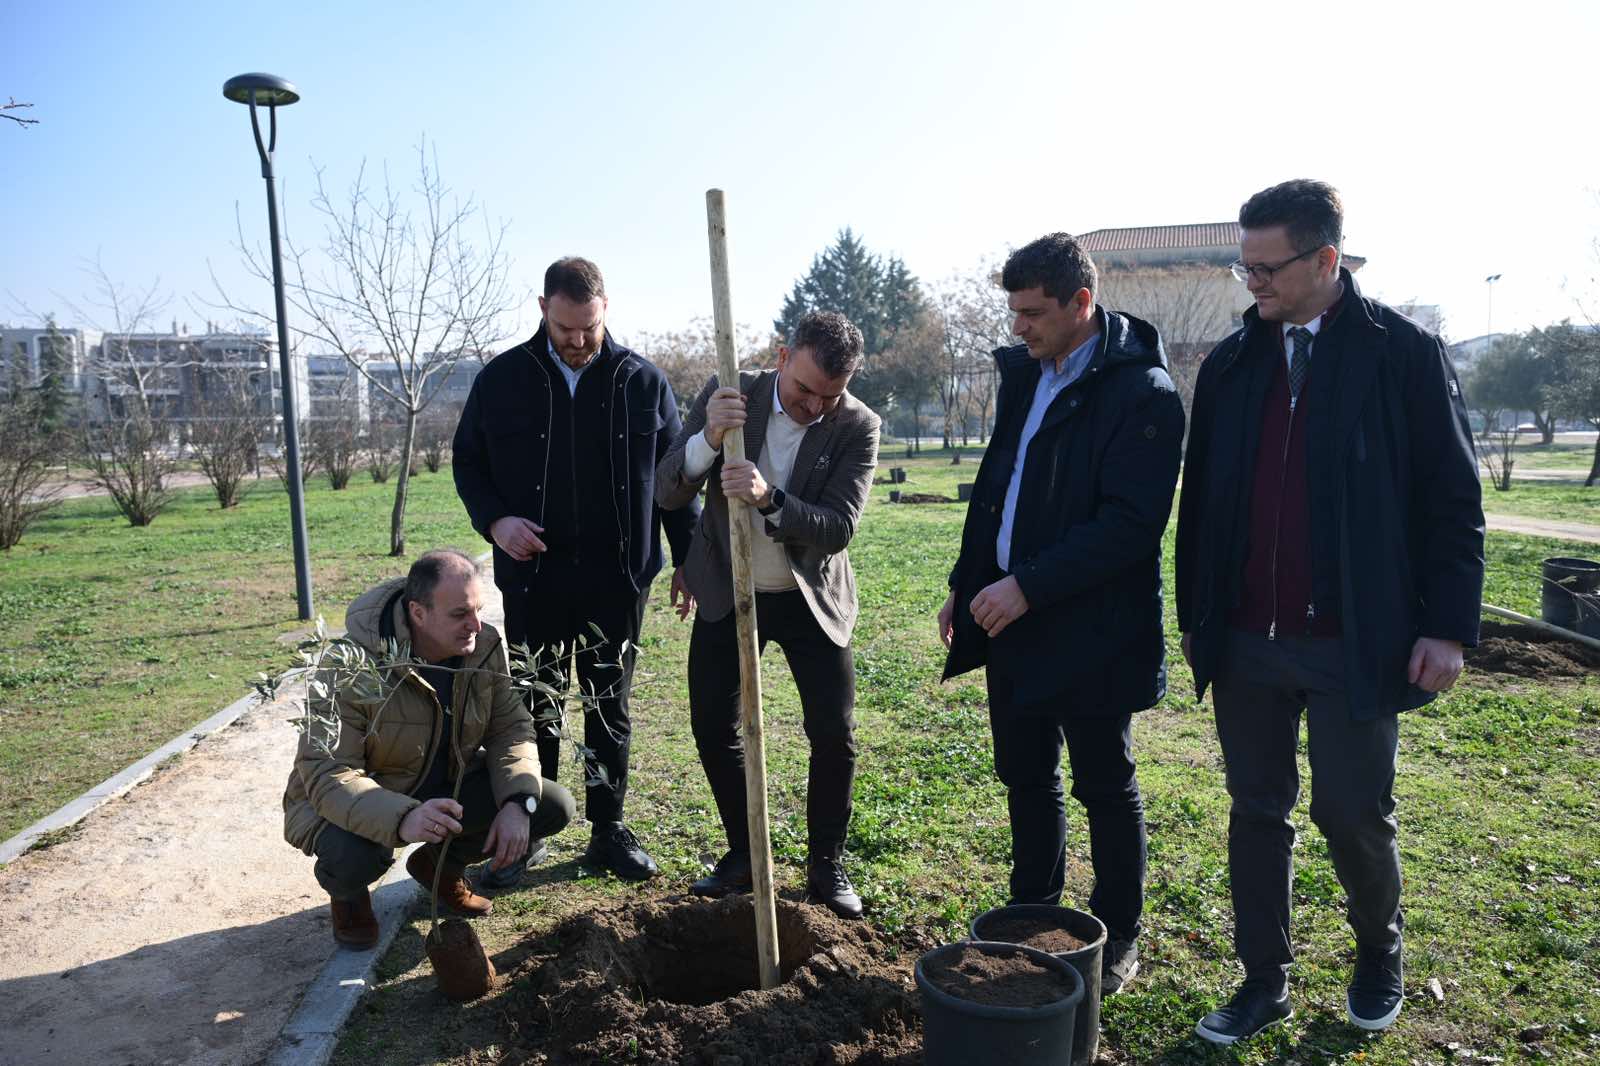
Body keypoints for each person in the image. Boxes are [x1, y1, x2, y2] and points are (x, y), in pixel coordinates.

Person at [1176, 179, 1484, 1043]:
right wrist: (1199, 611)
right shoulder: (1235, 364)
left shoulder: (1403, 356)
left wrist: (1449, 625)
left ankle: (1378, 952)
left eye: (1266, 268)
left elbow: (1453, 502)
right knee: (1255, 810)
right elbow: (1200, 501)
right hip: (1245, 640)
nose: (1253, 285)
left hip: (1358, 641)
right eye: (1244, 270)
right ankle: (1262, 979)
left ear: (1324, 259)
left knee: (1351, 812)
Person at [939, 233, 1184, 996]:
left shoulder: (1142, 392)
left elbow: (1129, 524)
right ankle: (1034, 909)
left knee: (1104, 782)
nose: (1019, 328)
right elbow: (997, 491)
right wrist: (967, 581)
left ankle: (1119, 934)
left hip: (1093, 626)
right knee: (1025, 773)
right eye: (1013, 312)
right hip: (1013, 616)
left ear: (1083, 302)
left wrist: (1028, 586)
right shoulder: (1026, 377)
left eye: (1033, 313)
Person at [453, 257, 698, 884]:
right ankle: (535, 826)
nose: (580, 340)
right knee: (537, 703)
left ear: (605, 308)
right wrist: (496, 523)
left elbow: (675, 481)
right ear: (543, 309)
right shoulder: (501, 380)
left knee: (607, 702)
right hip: (534, 579)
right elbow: (468, 464)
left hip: (618, 579)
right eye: (567, 328)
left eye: (589, 326)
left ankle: (607, 830)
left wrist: (690, 559)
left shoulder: (643, 382)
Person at [656, 310, 880, 920]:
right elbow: (666, 490)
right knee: (712, 722)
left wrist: (769, 498)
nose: (815, 406)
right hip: (730, 590)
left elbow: (838, 528)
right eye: (805, 389)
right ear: (783, 356)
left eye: (829, 395)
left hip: (811, 598)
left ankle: (826, 867)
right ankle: (744, 854)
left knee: (833, 734)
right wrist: (706, 438)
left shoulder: (857, 426)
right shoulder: (731, 393)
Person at [282, 550, 576, 949]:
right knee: (354, 854)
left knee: (550, 804)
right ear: (418, 614)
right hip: (363, 798)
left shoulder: (484, 646)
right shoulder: (349, 666)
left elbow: (511, 728)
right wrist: (402, 817)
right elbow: (328, 774)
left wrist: (517, 801)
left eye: (477, 609)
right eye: (459, 614)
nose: (475, 625)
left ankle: (439, 866)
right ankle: (349, 897)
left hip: (443, 784)